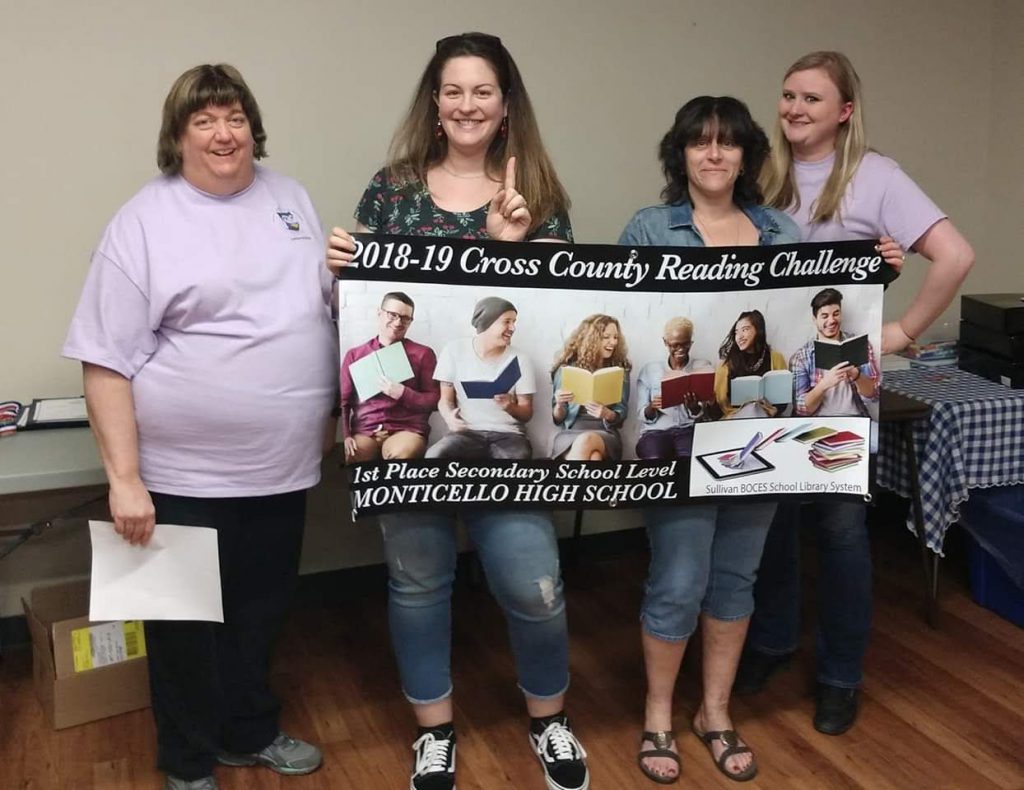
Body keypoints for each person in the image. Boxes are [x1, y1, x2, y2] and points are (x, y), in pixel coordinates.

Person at [326, 32, 588, 790]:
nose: (467, 104)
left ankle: (550, 719)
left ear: (506, 107)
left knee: (535, 583)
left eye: (483, 91)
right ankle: (434, 732)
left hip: (506, 434)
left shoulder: (538, 196)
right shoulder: (393, 189)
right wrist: (336, 270)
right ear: (435, 104)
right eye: (453, 91)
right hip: (409, 425)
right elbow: (358, 312)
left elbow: (555, 321)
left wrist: (510, 246)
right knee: (418, 581)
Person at [62, 64, 334, 790]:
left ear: (253, 127)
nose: (225, 133)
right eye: (205, 120)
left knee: (260, 614)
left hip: (281, 469)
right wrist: (124, 480)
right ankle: (186, 763)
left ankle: (250, 733)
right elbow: (104, 361)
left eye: (236, 116)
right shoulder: (144, 220)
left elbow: (322, 311)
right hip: (177, 477)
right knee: (181, 629)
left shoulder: (292, 200)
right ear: (178, 136)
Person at [739, 51, 975, 736]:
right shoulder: (763, 174)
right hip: (777, 379)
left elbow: (956, 255)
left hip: (844, 388)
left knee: (841, 531)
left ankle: (841, 676)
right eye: (787, 95)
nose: (795, 109)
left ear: (844, 110)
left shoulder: (876, 176)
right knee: (773, 522)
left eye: (812, 98)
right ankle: (773, 644)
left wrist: (900, 329)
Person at [619, 95, 799, 784]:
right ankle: (659, 714)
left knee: (736, 576)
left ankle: (715, 713)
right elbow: (633, 333)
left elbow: (808, 328)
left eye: (729, 143)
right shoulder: (649, 227)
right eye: (701, 142)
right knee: (679, 576)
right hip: (681, 435)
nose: (715, 154)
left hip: (761, 438)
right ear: (682, 153)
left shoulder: (780, 231)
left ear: (749, 155)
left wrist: (878, 274)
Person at [427, 297, 535, 460]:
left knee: (517, 459)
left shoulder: (520, 359)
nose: (512, 328)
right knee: (434, 456)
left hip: (508, 435)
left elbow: (526, 413)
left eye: (514, 322)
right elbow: (445, 400)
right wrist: (450, 418)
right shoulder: (454, 351)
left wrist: (510, 407)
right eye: (506, 321)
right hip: (466, 433)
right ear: (487, 322)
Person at [340, 291, 439, 462]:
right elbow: (343, 401)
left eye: (405, 318)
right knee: (352, 454)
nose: (398, 322)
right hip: (365, 431)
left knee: (401, 455)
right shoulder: (355, 355)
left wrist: (403, 393)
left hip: (407, 430)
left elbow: (435, 400)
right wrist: (346, 435)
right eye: (392, 315)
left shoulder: (423, 354)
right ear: (379, 313)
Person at [550, 314, 631, 461]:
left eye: (615, 337)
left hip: (605, 434)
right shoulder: (567, 369)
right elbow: (558, 419)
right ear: (592, 339)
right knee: (595, 457)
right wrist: (560, 404)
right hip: (571, 433)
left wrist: (607, 414)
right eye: (606, 337)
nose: (612, 342)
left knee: (587, 440)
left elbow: (622, 414)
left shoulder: (619, 370)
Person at [790, 288, 879, 418]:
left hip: (855, 417)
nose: (832, 321)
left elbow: (874, 394)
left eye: (836, 314)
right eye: (825, 316)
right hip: (818, 422)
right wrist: (824, 384)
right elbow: (802, 410)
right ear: (814, 319)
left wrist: (856, 375)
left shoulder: (860, 345)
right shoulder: (801, 357)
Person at [635, 317, 713, 460]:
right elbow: (641, 413)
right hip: (655, 432)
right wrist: (652, 407)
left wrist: (694, 407)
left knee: (689, 462)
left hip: (688, 430)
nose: (681, 350)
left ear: (691, 342)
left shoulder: (702, 367)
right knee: (656, 460)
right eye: (675, 345)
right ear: (665, 342)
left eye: (685, 344)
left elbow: (704, 410)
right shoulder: (649, 370)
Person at [711, 309, 789, 421]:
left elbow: (783, 400)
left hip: (767, 419)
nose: (739, 336)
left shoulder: (775, 358)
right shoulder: (726, 365)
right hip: (734, 421)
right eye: (736, 332)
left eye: (745, 330)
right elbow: (718, 408)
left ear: (758, 330)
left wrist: (774, 410)